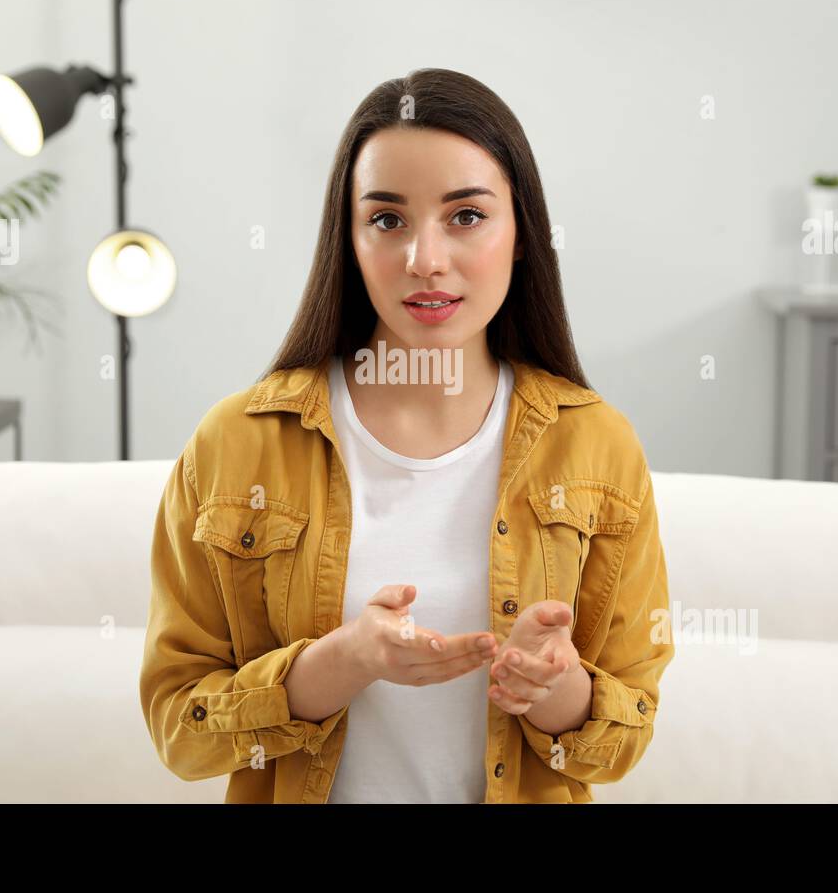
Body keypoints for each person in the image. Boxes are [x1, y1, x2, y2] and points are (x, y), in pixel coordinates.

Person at [139, 67, 673, 803]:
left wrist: (552, 685)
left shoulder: (598, 446)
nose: (425, 258)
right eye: (388, 219)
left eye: (465, 216)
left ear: (521, 236)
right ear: (349, 241)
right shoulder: (236, 443)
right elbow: (179, 728)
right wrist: (339, 663)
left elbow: (624, 738)